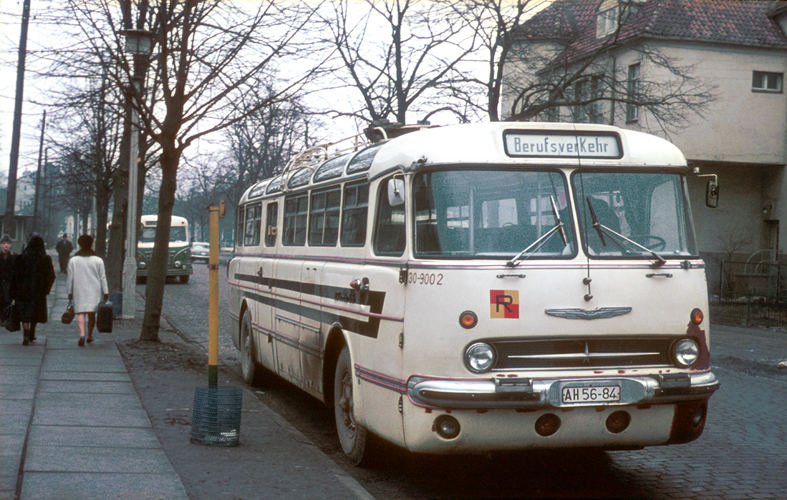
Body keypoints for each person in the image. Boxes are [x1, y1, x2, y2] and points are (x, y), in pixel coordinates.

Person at [11, 234, 55, 345]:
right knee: (35, 313)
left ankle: (26, 332)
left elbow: (15, 275)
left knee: (25, 314)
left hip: (22, 291)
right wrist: (46, 289)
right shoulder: (45, 259)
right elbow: (51, 276)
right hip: (38, 291)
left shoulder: (21, 258)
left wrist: (13, 291)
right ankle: (32, 334)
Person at [66, 234, 108, 346]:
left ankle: (82, 334)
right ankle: (90, 334)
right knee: (92, 313)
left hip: (79, 289)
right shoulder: (98, 260)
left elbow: (70, 278)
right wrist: (106, 292)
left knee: (81, 312)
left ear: (79, 244)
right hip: (94, 290)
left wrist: (69, 292)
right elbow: (102, 277)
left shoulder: (73, 260)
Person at [0, 234, 15, 322]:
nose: (6, 245)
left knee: (8, 302)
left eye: (8, 243)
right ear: (1, 244)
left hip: (10, 285)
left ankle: (6, 318)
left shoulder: (14, 257)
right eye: (4, 243)